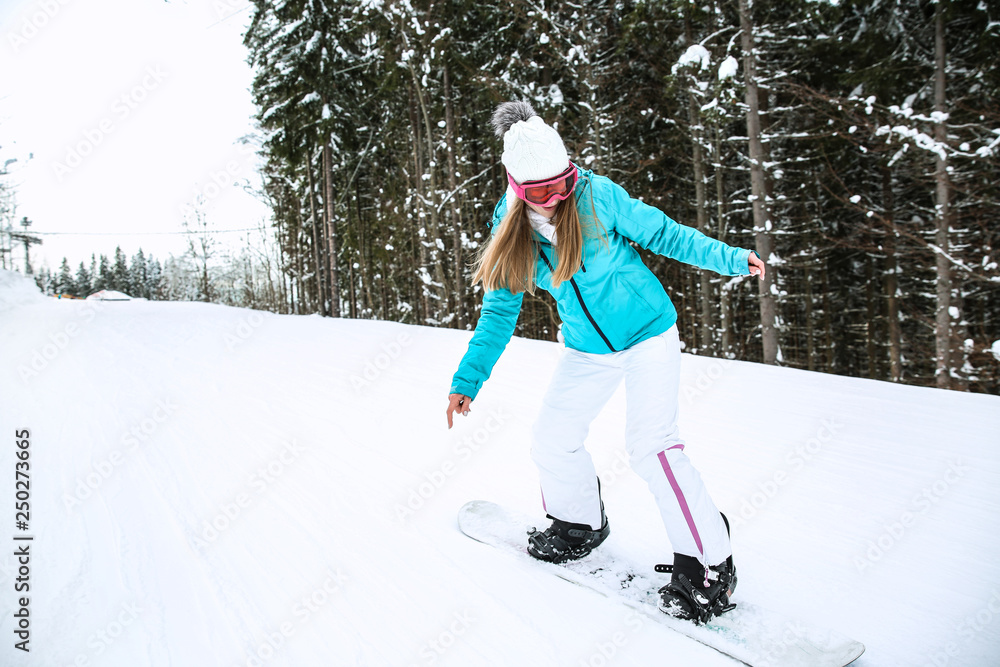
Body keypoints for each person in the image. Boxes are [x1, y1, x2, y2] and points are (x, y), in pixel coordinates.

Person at [445, 101, 766, 624]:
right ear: (515, 186)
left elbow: (667, 234)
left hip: (647, 336)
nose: (556, 197)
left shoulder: (597, 197)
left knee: (652, 448)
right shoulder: (510, 228)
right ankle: (577, 525)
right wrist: (468, 380)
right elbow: (499, 311)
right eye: (539, 191)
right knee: (551, 435)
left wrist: (730, 257)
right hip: (586, 349)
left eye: (562, 182)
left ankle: (711, 564)